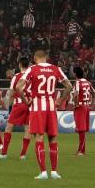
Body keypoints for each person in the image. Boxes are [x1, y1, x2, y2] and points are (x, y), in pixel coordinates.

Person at [14, 46, 73, 180]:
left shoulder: (32, 69)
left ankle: (43, 173)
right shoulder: (55, 69)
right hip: (51, 107)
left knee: (39, 138)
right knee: (52, 138)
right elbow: (69, 86)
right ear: (46, 57)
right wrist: (60, 100)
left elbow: (18, 86)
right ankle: (54, 172)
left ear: (35, 59)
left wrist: (26, 100)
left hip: (37, 107)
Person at [0, 57, 33, 160]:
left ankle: (4, 154)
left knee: (9, 127)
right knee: (28, 129)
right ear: (28, 65)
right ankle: (23, 155)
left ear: (20, 65)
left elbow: (11, 93)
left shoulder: (17, 77)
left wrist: (10, 108)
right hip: (30, 105)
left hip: (19, 104)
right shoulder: (33, 77)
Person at [72, 66, 93, 155]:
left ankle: (81, 151)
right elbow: (94, 93)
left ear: (75, 73)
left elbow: (76, 94)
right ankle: (81, 149)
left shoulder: (77, 82)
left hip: (80, 107)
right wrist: (92, 105)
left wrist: (76, 104)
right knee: (82, 130)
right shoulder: (87, 82)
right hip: (86, 106)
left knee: (81, 130)